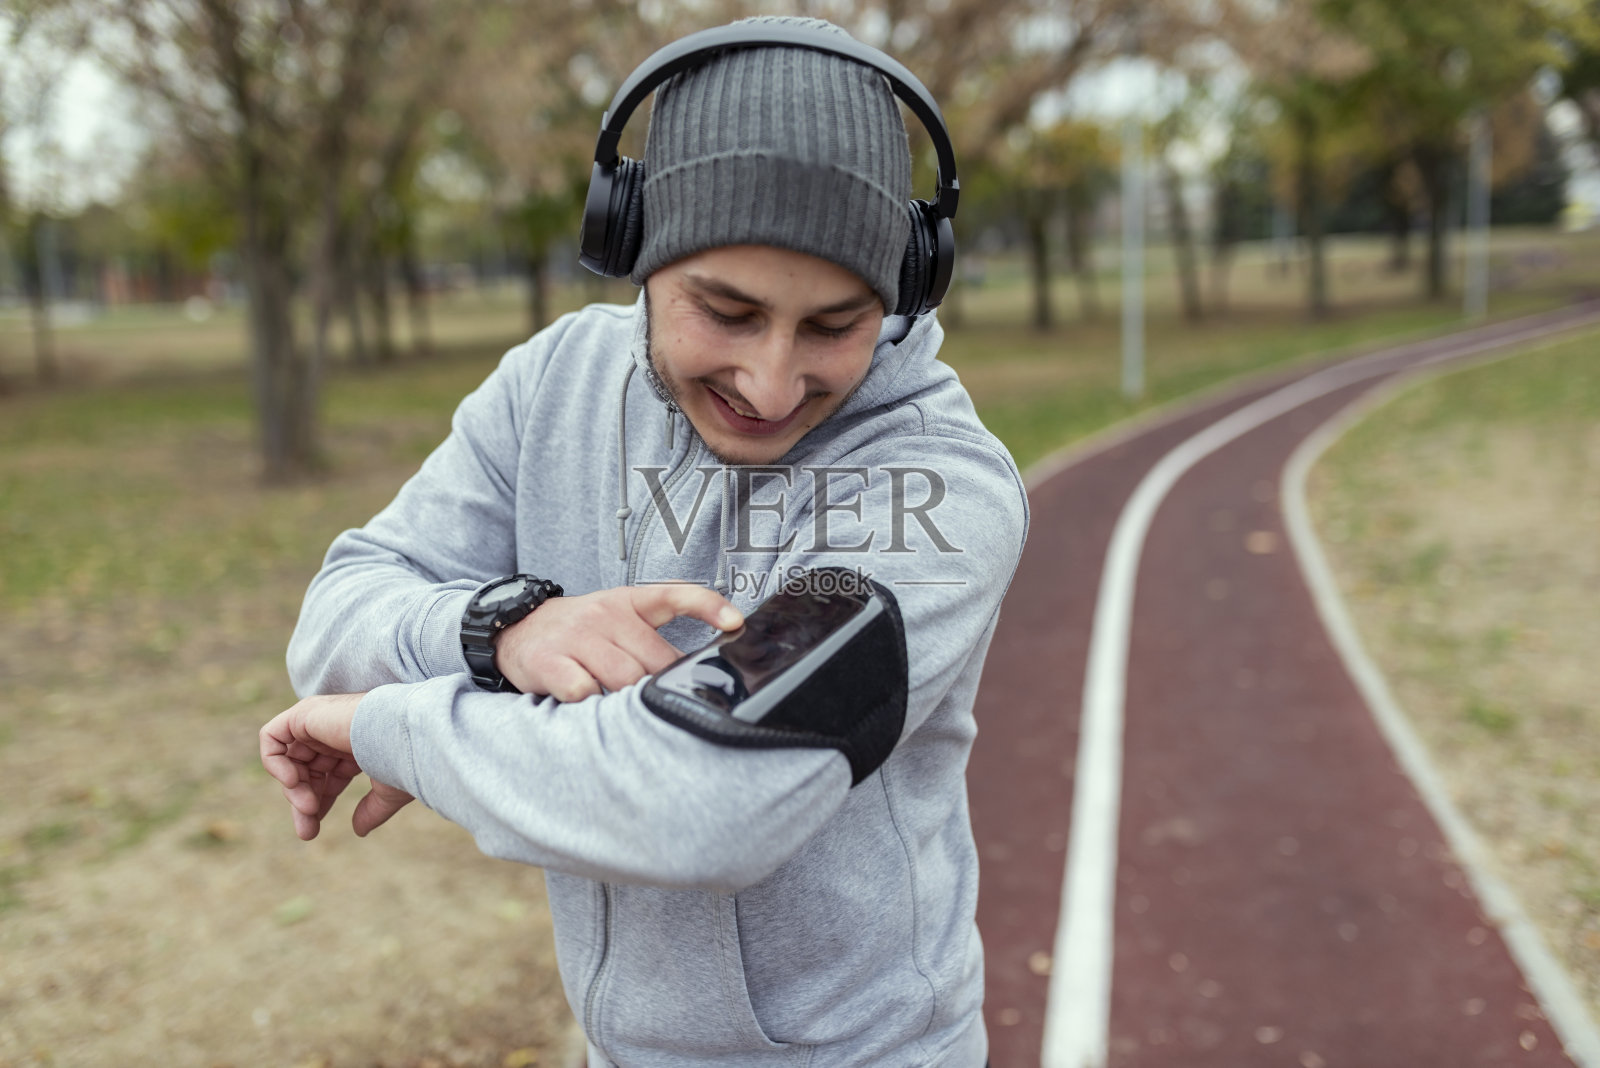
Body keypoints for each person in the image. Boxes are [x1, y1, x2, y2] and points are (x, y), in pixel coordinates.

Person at [259, 16, 1027, 1067]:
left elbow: (704, 799)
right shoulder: (548, 386)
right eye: (726, 310)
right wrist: (503, 632)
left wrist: (382, 725)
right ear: (636, 246)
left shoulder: (934, 489)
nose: (770, 381)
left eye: (835, 326)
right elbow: (344, 603)